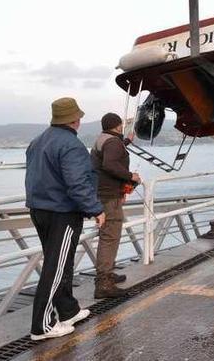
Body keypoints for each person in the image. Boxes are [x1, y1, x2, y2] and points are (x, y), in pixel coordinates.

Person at [26, 98, 105, 340]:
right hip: (62, 212)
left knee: (60, 261)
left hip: (39, 209)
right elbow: (77, 183)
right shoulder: (71, 145)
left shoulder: (37, 141)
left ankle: (68, 310)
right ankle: (42, 326)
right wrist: (95, 209)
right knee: (56, 267)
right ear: (75, 119)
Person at [90, 113, 141, 299]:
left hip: (102, 194)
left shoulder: (105, 139)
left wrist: (126, 141)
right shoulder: (112, 142)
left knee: (108, 235)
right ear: (118, 126)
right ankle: (103, 283)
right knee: (110, 237)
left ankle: (107, 274)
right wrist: (131, 177)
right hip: (109, 197)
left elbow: (111, 156)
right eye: (121, 125)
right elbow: (110, 164)